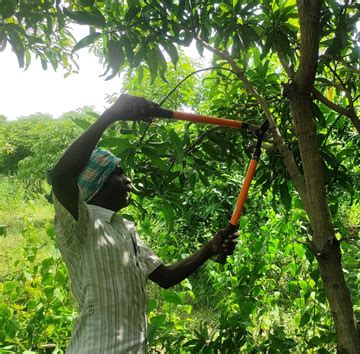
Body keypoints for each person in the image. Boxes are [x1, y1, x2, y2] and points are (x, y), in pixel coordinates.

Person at [50, 94, 239, 353]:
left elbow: (165, 276)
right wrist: (111, 115)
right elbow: (61, 177)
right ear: (96, 182)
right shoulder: (80, 221)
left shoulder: (124, 229)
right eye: (117, 172)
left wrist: (211, 247)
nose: (127, 180)